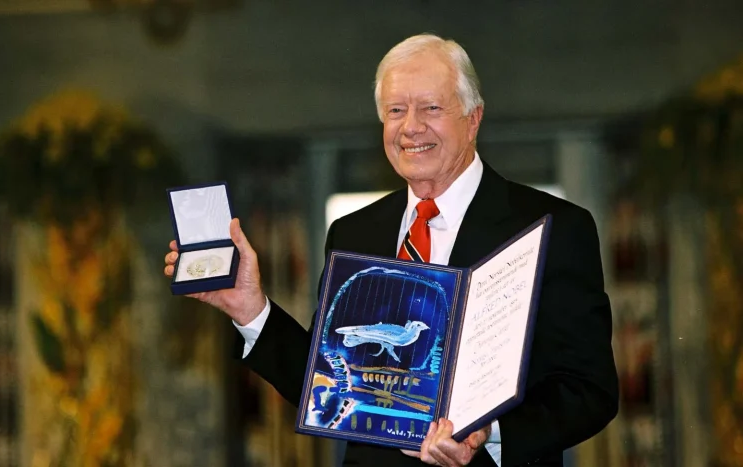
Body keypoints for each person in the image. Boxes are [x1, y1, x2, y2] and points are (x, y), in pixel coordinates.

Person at [164, 33, 619, 467]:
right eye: (396, 110)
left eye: (431, 107)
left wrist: (490, 433)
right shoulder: (354, 232)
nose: (411, 127)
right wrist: (251, 309)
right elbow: (332, 379)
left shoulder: (553, 227)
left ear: (473, 118)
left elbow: (589, 390)